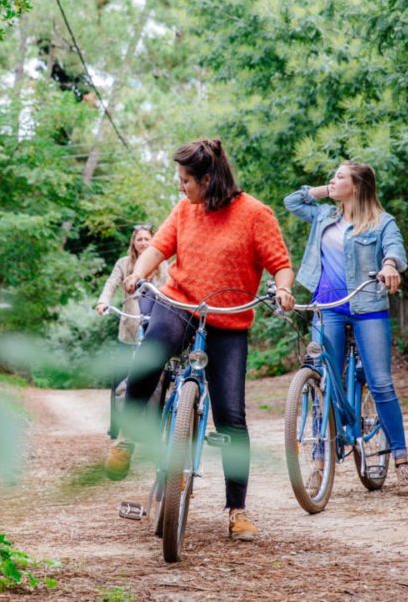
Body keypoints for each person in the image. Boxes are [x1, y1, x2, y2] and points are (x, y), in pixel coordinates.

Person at [103, 138, 296, 542]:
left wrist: (283, 289)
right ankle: (127, 438)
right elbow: (158, 248)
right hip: (180, 304)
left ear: (207, 180)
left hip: (229, 319)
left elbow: (280, 264)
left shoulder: (255, 214)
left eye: (185, 180)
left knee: (231, 415)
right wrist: (138, 273)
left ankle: (237, 510)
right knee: (150, 357)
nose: (181, 187)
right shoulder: (185, 209)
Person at [283, 162, 408, 496]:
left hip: (367, 307)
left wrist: (390, 265)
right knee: (320, 380)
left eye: (340, 177)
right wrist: (326, 190)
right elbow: (292, 201)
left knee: (380, 382)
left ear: (357, 186)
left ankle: (401, 462)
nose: (333, 180)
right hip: (327, 307)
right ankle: (319, 462)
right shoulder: (323, 216)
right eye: (333, 176)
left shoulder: (382, 222)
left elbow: (395, 250)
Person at [96, 224, 169, 439]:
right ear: (133, 243)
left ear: (153, 240)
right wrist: (103, 301)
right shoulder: (123, 263)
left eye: (147, 239)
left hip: (154, 326)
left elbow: (169, 287)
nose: (143, 243)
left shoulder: (162, 264)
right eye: (140, 239)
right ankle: (117, 427)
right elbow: (111, 284)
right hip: (129, 329)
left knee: (156, 378)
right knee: (120, 377)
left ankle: (153, 429)